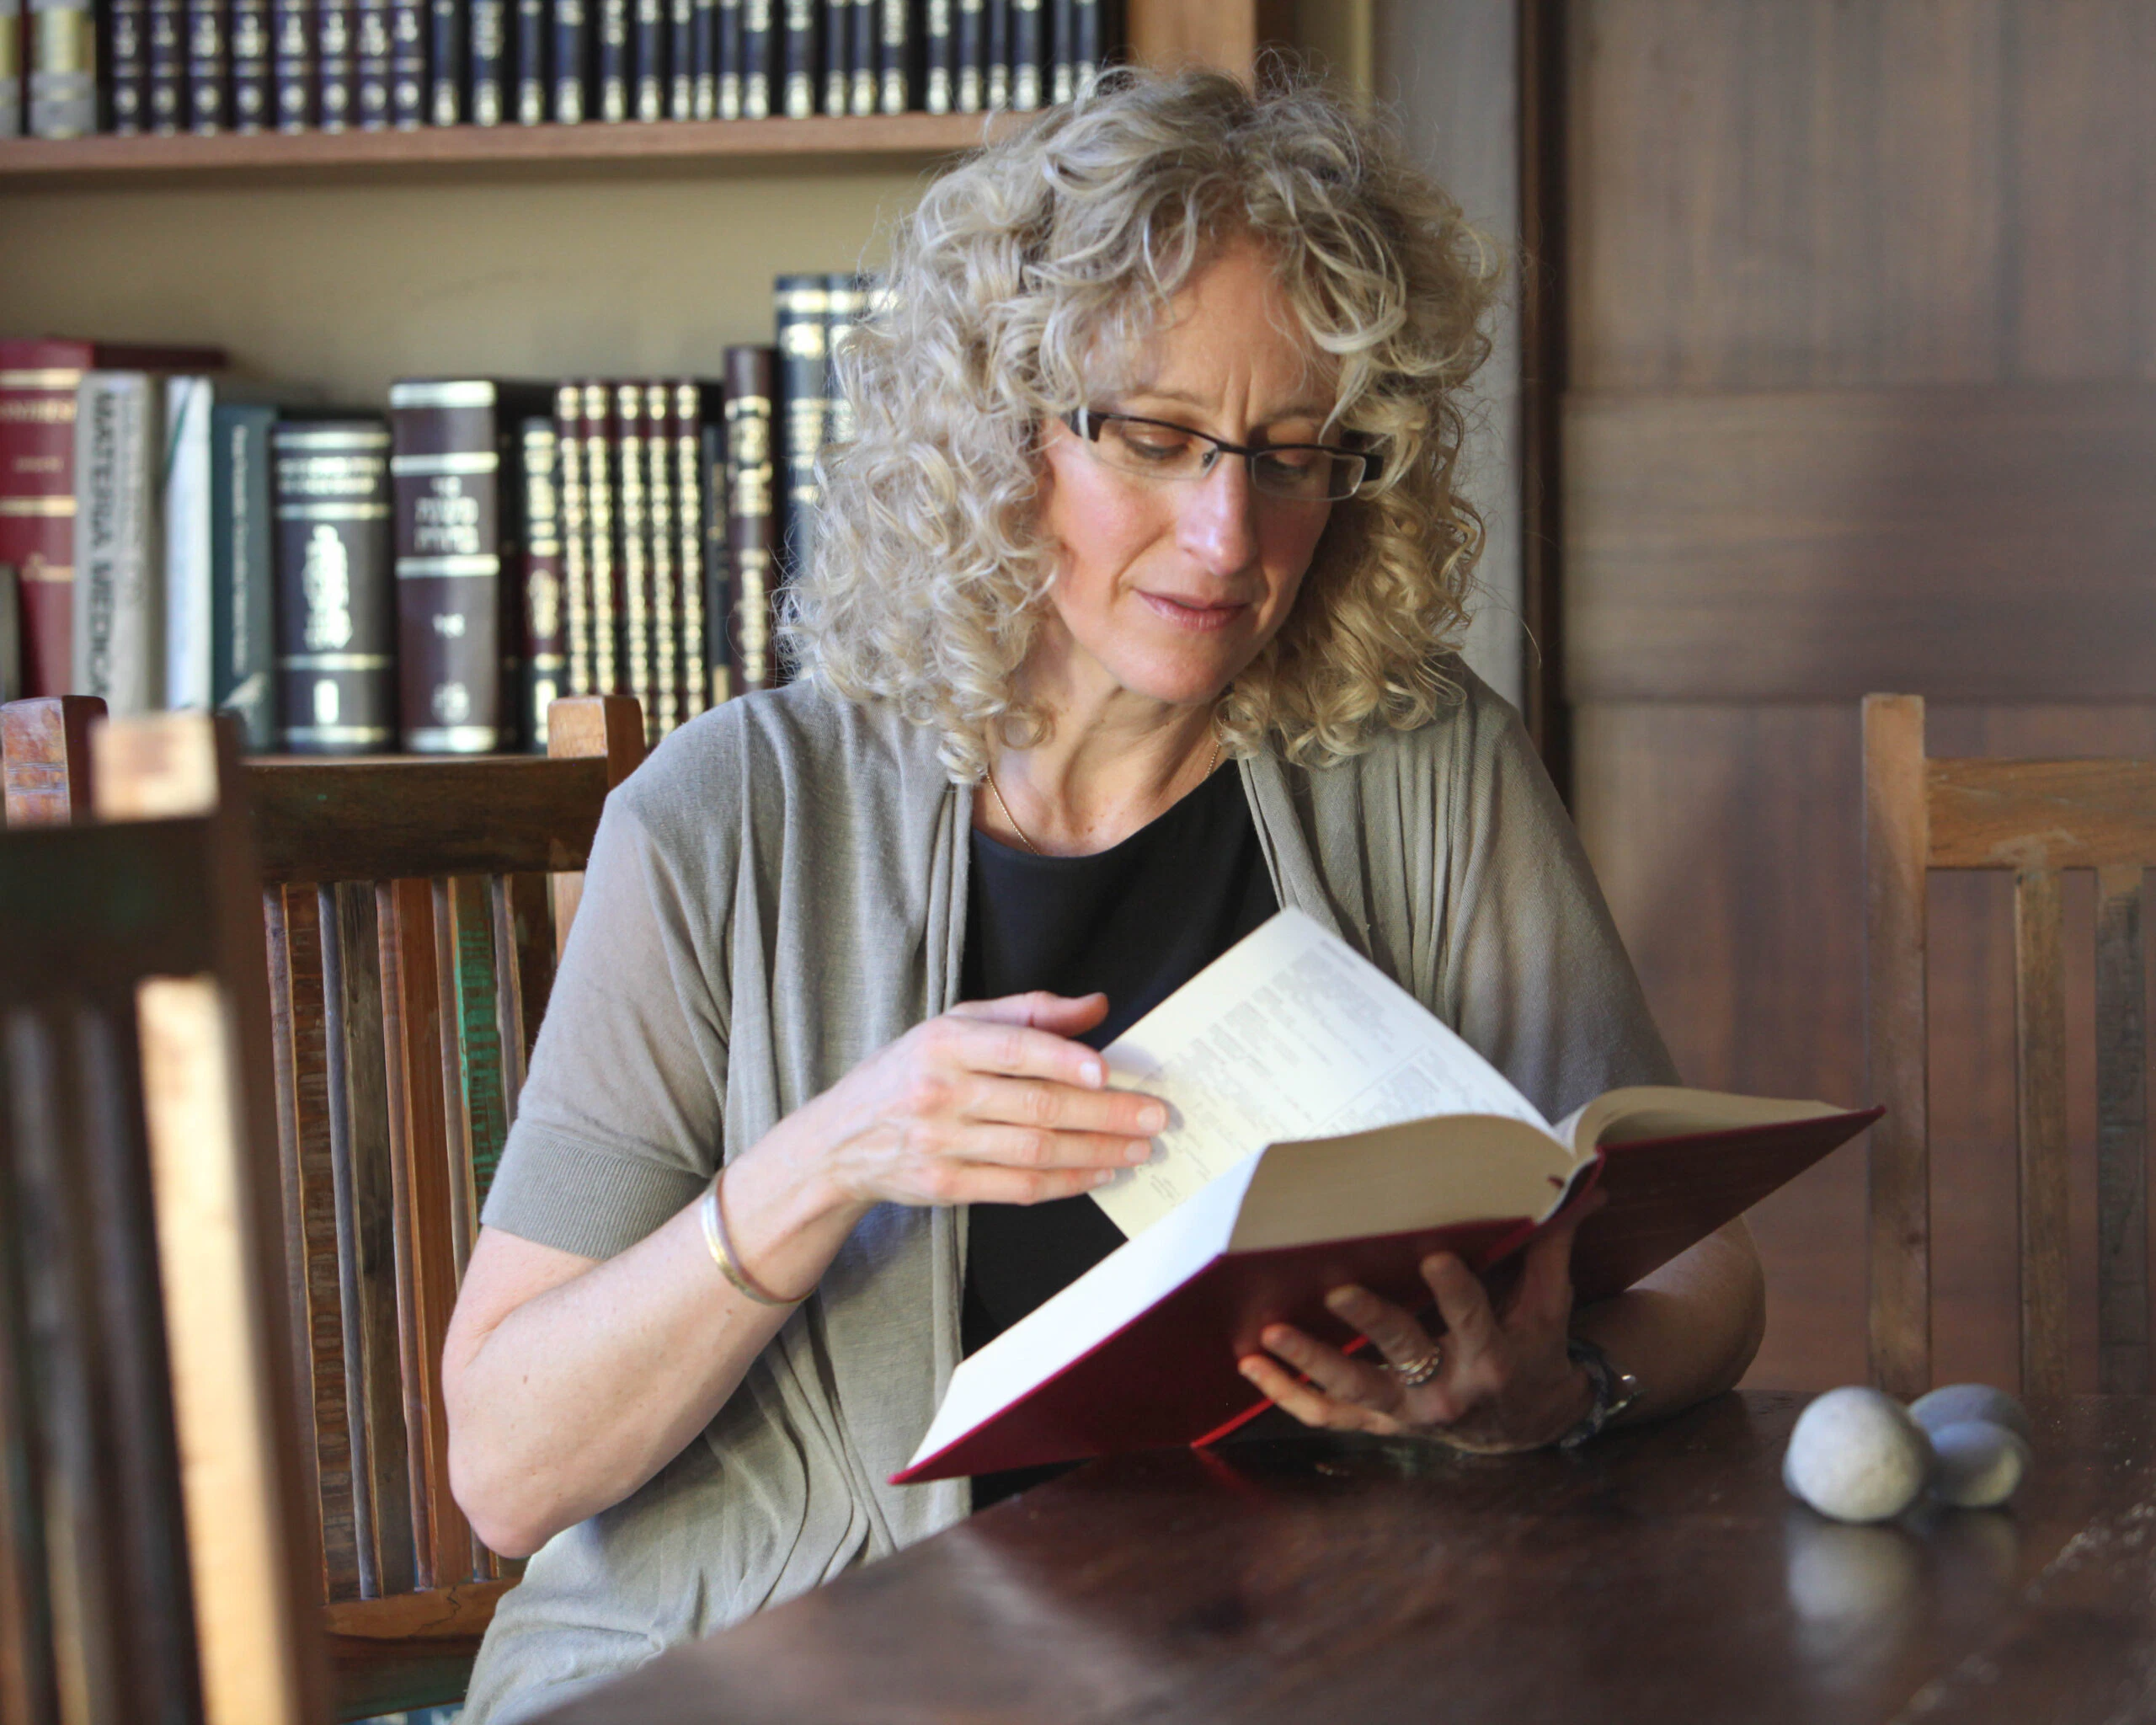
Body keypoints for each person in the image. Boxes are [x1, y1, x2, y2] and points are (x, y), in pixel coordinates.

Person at [444, 68, 1765, 1722]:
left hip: (1283, 1655)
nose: (1226, 534)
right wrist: (833, 1156)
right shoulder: (727, 815)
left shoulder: (1425, 766)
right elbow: (508, 1471)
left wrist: (1552, 1391)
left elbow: (1704, 1280)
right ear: (995, 430)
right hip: (763, 1667)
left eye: (1294, 456)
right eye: (1152, 437)